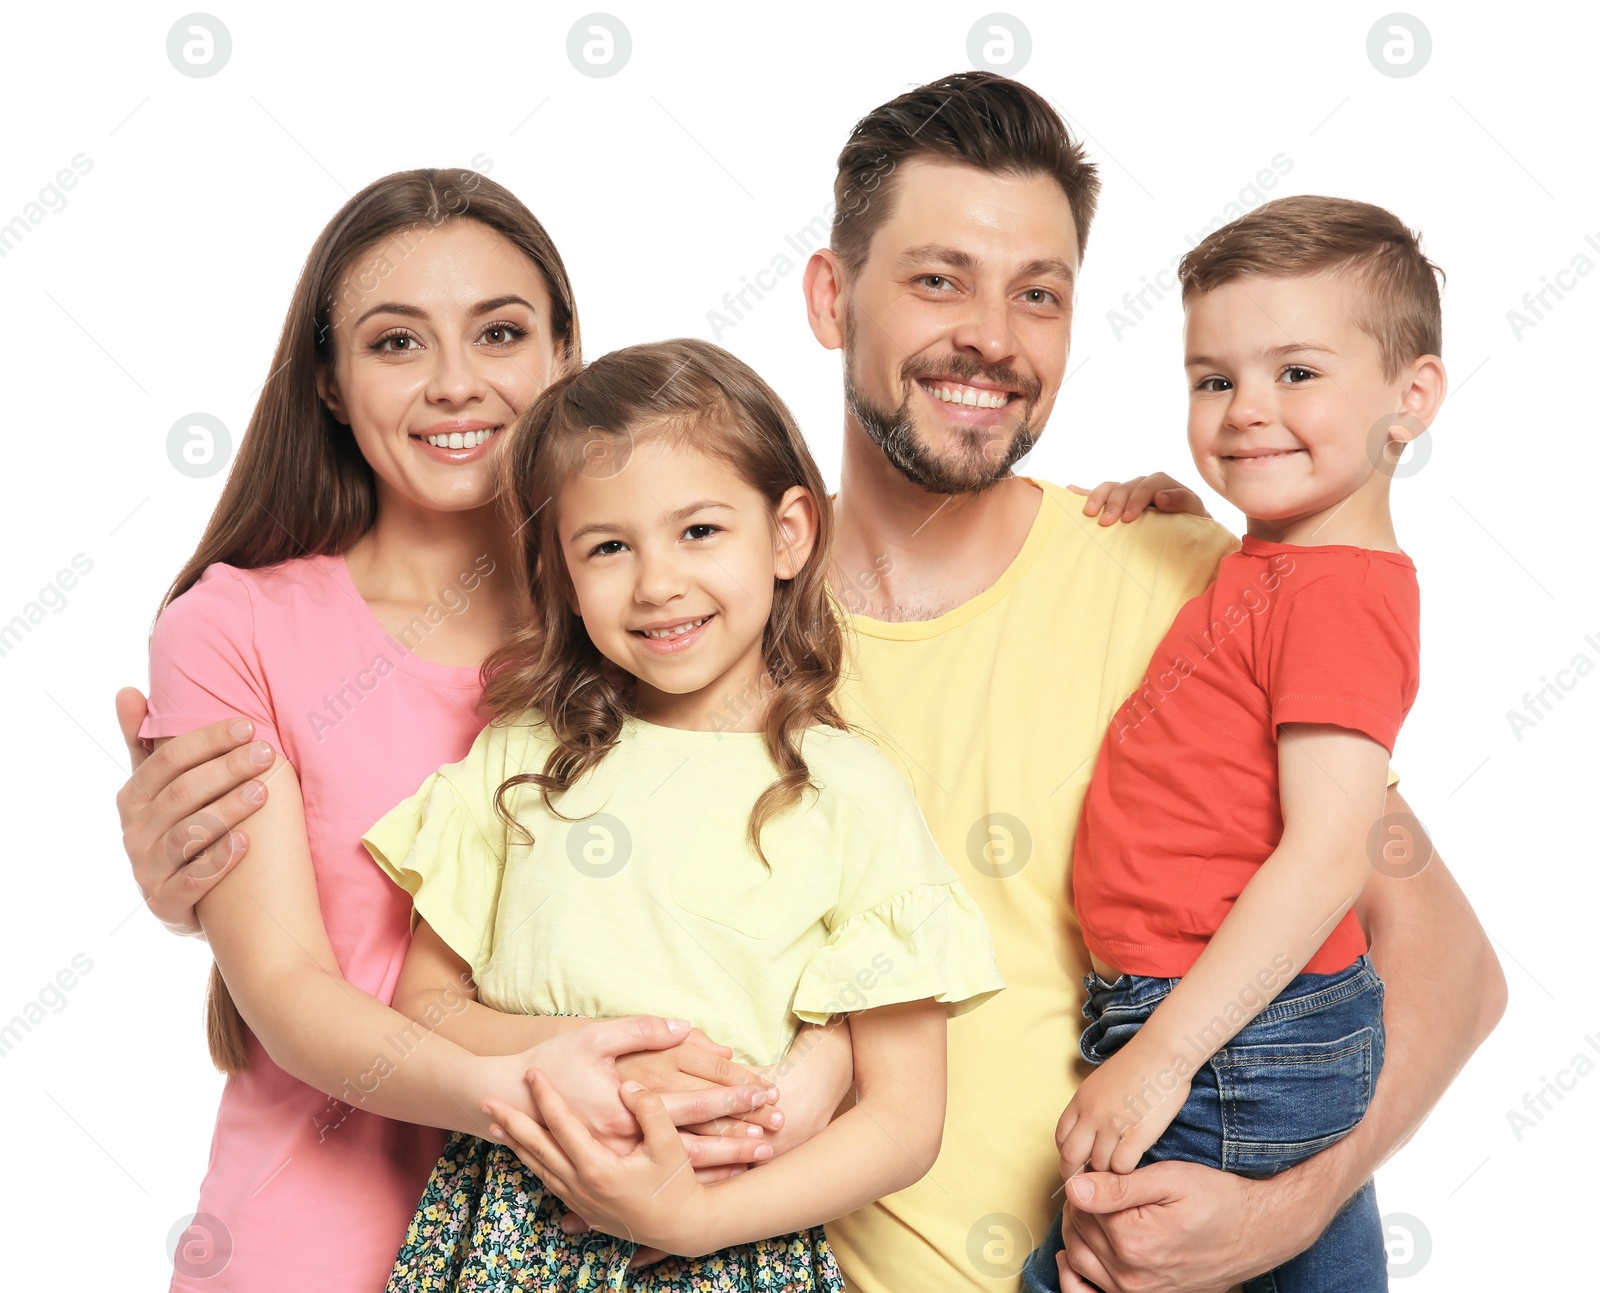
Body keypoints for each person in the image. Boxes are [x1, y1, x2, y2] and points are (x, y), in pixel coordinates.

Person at [119, 74, 1508, 1293]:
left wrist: (1289, 1208)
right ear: (832, 298)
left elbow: (1441, 957)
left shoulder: (1175, 578)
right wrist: (196, 881)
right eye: (937, 278)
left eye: (1040, 292)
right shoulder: (678, 626)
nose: (990, 335)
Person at [128, 170, 844, 1292]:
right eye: (396, 343)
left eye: (500, 333)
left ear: (563, 352)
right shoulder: (234, 628)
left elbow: (826, 910)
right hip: (313, 1252)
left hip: (618, 1250)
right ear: (327, 379)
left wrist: (810, 1076)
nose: (454, 385)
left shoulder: (663, 615)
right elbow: (289, 992)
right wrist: (527, 1093)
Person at [365, 337, 1004, 1289]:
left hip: (730, 1241)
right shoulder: (521, 758)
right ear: (561, 570)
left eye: (699, 531)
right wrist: (581, 1059)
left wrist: (704, 1219)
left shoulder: (852, 793)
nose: (657, 582)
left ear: (788, 533)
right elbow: (424, 1006)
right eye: (610, 546)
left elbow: (903, 1121)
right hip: (509, 1227)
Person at [1021, 196, 1447, 1293]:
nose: (1245, 412)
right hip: (1224, 1020)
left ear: (1411, 398)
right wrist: (1176, 512)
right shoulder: (1276, 563)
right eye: (1214, 380)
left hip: (1226, 1028)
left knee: (1099, 1263)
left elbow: (1325, 850)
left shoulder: (1343, 598)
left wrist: (1161, 1061)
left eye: (1295, 374)